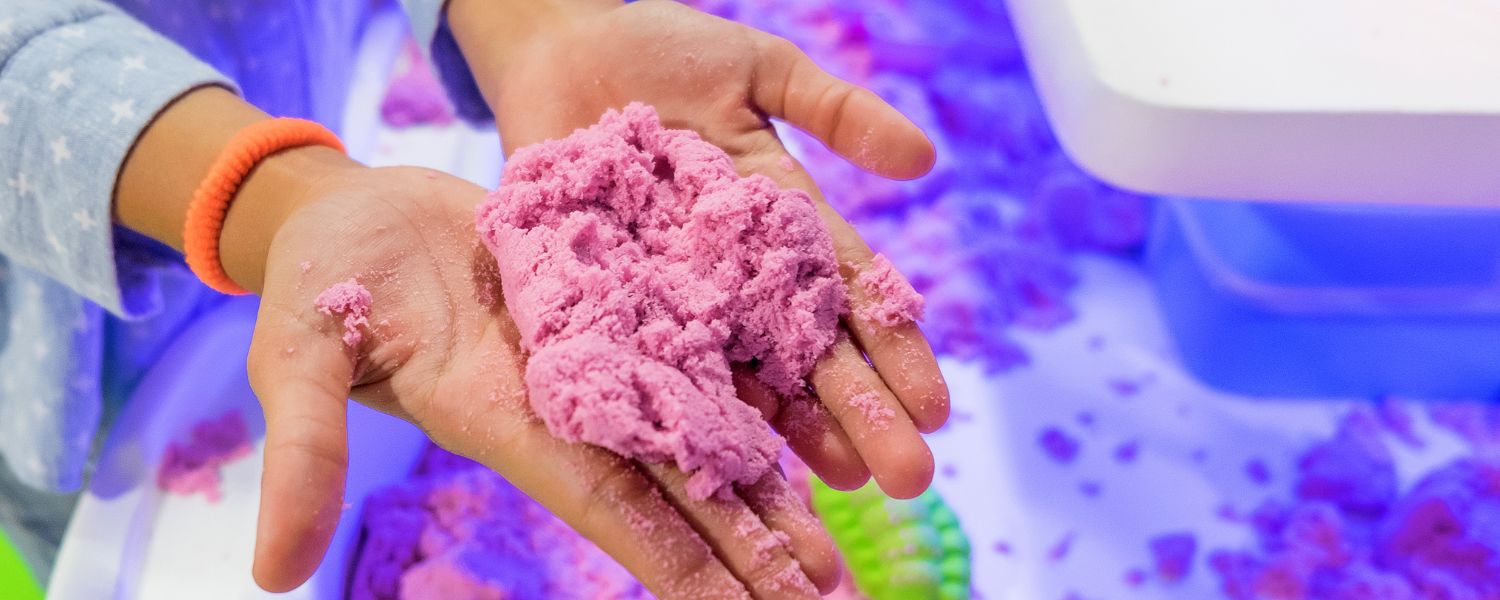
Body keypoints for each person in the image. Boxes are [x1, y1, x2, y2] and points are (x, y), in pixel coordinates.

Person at [0, 0, 950, 596]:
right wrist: (262, 191)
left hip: (297, 91)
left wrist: (529, 20)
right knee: (99, 515)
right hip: (66, 306)